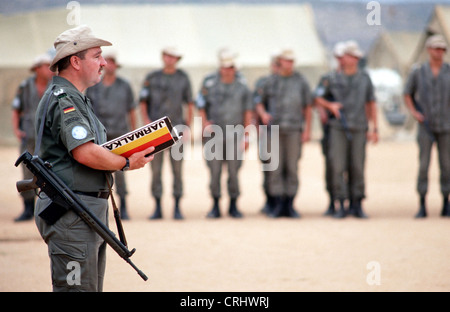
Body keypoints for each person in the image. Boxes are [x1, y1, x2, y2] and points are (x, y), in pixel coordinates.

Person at [34, 25, 154, 292]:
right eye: (98, 56)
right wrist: (126, 162)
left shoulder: (77, 98)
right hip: (72, 213)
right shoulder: (65, 99)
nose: (104, 63)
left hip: (83, 211)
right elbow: (85, 152)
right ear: (75, 61)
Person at [315, 40, 378, 219]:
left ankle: (357, 203)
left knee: (357, 166)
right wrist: (330, 106)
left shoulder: (365, 78)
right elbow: (316, 98)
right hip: (338, 128)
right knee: (337, 166)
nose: (349, 59)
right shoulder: (331, 78)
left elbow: (371, 103)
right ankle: (340, 202)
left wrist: (375, 128)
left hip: (358, 127)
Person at [255, 49, 313, 218]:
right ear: (280, 62)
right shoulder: (270, 81)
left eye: (291, 61)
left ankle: (290, 204)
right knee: (275, 168)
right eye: (286, 61)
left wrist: (307, 129)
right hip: (274, 131)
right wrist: (263, 114)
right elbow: (258, 102)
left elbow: (307, 106)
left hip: (294, 130)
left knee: (292, 167)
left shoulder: (301, 81)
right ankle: (278, 204)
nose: (289, 64)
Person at [139, 47, 194, 220]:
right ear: (163, 57)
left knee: (177, 170)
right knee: (156, 170)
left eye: (174, 57)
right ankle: (157, 207)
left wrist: (187, 126)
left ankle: (177, 206)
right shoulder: (152, 77)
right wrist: (146, 123)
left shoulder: (183, 78)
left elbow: (190, 103)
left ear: (177, 59)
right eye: (168, 56)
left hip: (176, 129)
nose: (171, 60)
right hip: (156, 130)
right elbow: (142, 102)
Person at [197, 50, 253, 218]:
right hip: (214, 134)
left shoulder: (242, 86)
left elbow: (247, 111)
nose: (227, 70)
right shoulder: (209, 83)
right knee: (214, 172)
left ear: (235, 68)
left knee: (234, 171)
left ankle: (234, 205)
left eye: (230, 67)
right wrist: (204, 123)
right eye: (224, 67)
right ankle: (215, 204)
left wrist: (247, 135)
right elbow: (201, 105)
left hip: (235, 134)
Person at [86, 50, 137, 220]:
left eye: (113, 62)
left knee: (121, 169)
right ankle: (99, 207)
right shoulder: (94, 86)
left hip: (121, 133)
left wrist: (133, 131)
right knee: (99, 170)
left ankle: (124, 206)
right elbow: (88, 111)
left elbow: (131, 109)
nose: (110, 65)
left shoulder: (124, 85)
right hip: (100, 135)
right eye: (108, 62)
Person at [404, 34, 450, 218]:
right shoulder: (418, 72)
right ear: (429, 50)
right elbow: (407, 93)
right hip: (426, 125)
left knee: (446, 165)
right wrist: (415, 113)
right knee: (423, 165)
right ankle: (422, 203)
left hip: (446, 126)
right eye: (436, 48)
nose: (439, 52)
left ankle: (446, 202)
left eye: (442, 49)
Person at [11, 52, 54, 221]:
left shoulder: (54, 86)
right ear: (37, 68)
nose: (50, 69)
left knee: (51, 172)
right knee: (27, 172)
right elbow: (16, 109)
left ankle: (48, 209)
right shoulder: (25, 86)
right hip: (29, 136)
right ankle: (28, 208)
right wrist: (16, 129)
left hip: (47, 138)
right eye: (46, 66)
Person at [314, 42, 346, 216]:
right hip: (331, 130)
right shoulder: (328, 78)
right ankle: (333, 200)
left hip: (350, 128)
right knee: (333, 166)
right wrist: (324, 110)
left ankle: (350, 201)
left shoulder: (357, 77)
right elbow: (317, 98)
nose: (342, 60)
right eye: (340, 57)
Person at [252, 51, 280, 215]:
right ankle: (269, 200)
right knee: (268, 167)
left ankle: (282, 202)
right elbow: (256, 105)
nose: (277, 68)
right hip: (267, 132)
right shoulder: (263, 83)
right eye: (276, 65)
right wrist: (256, 127)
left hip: (284, 132)